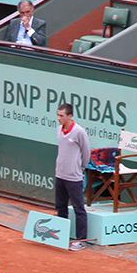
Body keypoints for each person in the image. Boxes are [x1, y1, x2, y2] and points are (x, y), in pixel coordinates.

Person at [54, 103, 91, 251]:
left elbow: (86, 153)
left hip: (74, 177)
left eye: (61, 116)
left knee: (78, 209)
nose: (59, 118)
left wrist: (80, 169)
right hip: (59, 175)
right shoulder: (58, 130)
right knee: (61, 207)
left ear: (70, 116)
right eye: (58, 115)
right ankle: (61, 236)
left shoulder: (79, 132)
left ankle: (81, 240)